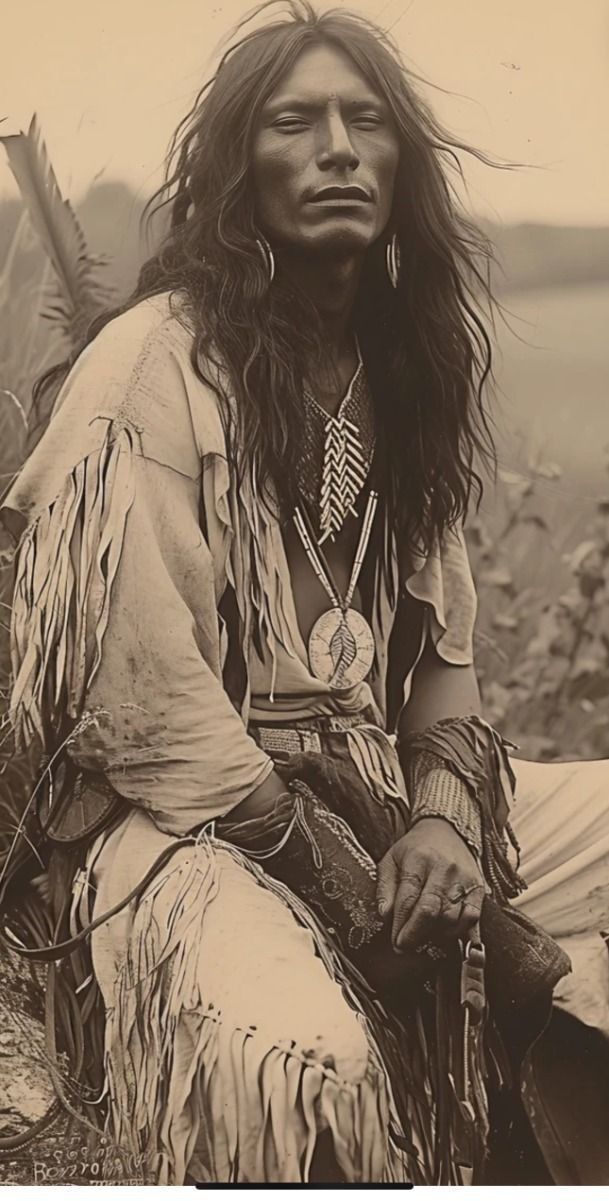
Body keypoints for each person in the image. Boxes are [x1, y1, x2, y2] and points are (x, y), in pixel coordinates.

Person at [1, 0, 605, 1186]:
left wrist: (440, 819)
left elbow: (443, 674)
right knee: (304, 1066)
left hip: (379, 788)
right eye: (296, 120)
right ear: (241, 168)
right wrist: (328, 869)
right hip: (186, 825)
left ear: (401, 165)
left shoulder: (403, 376)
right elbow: (140, 708)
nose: (337, 146)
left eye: (364, 120)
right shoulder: (151, 368)